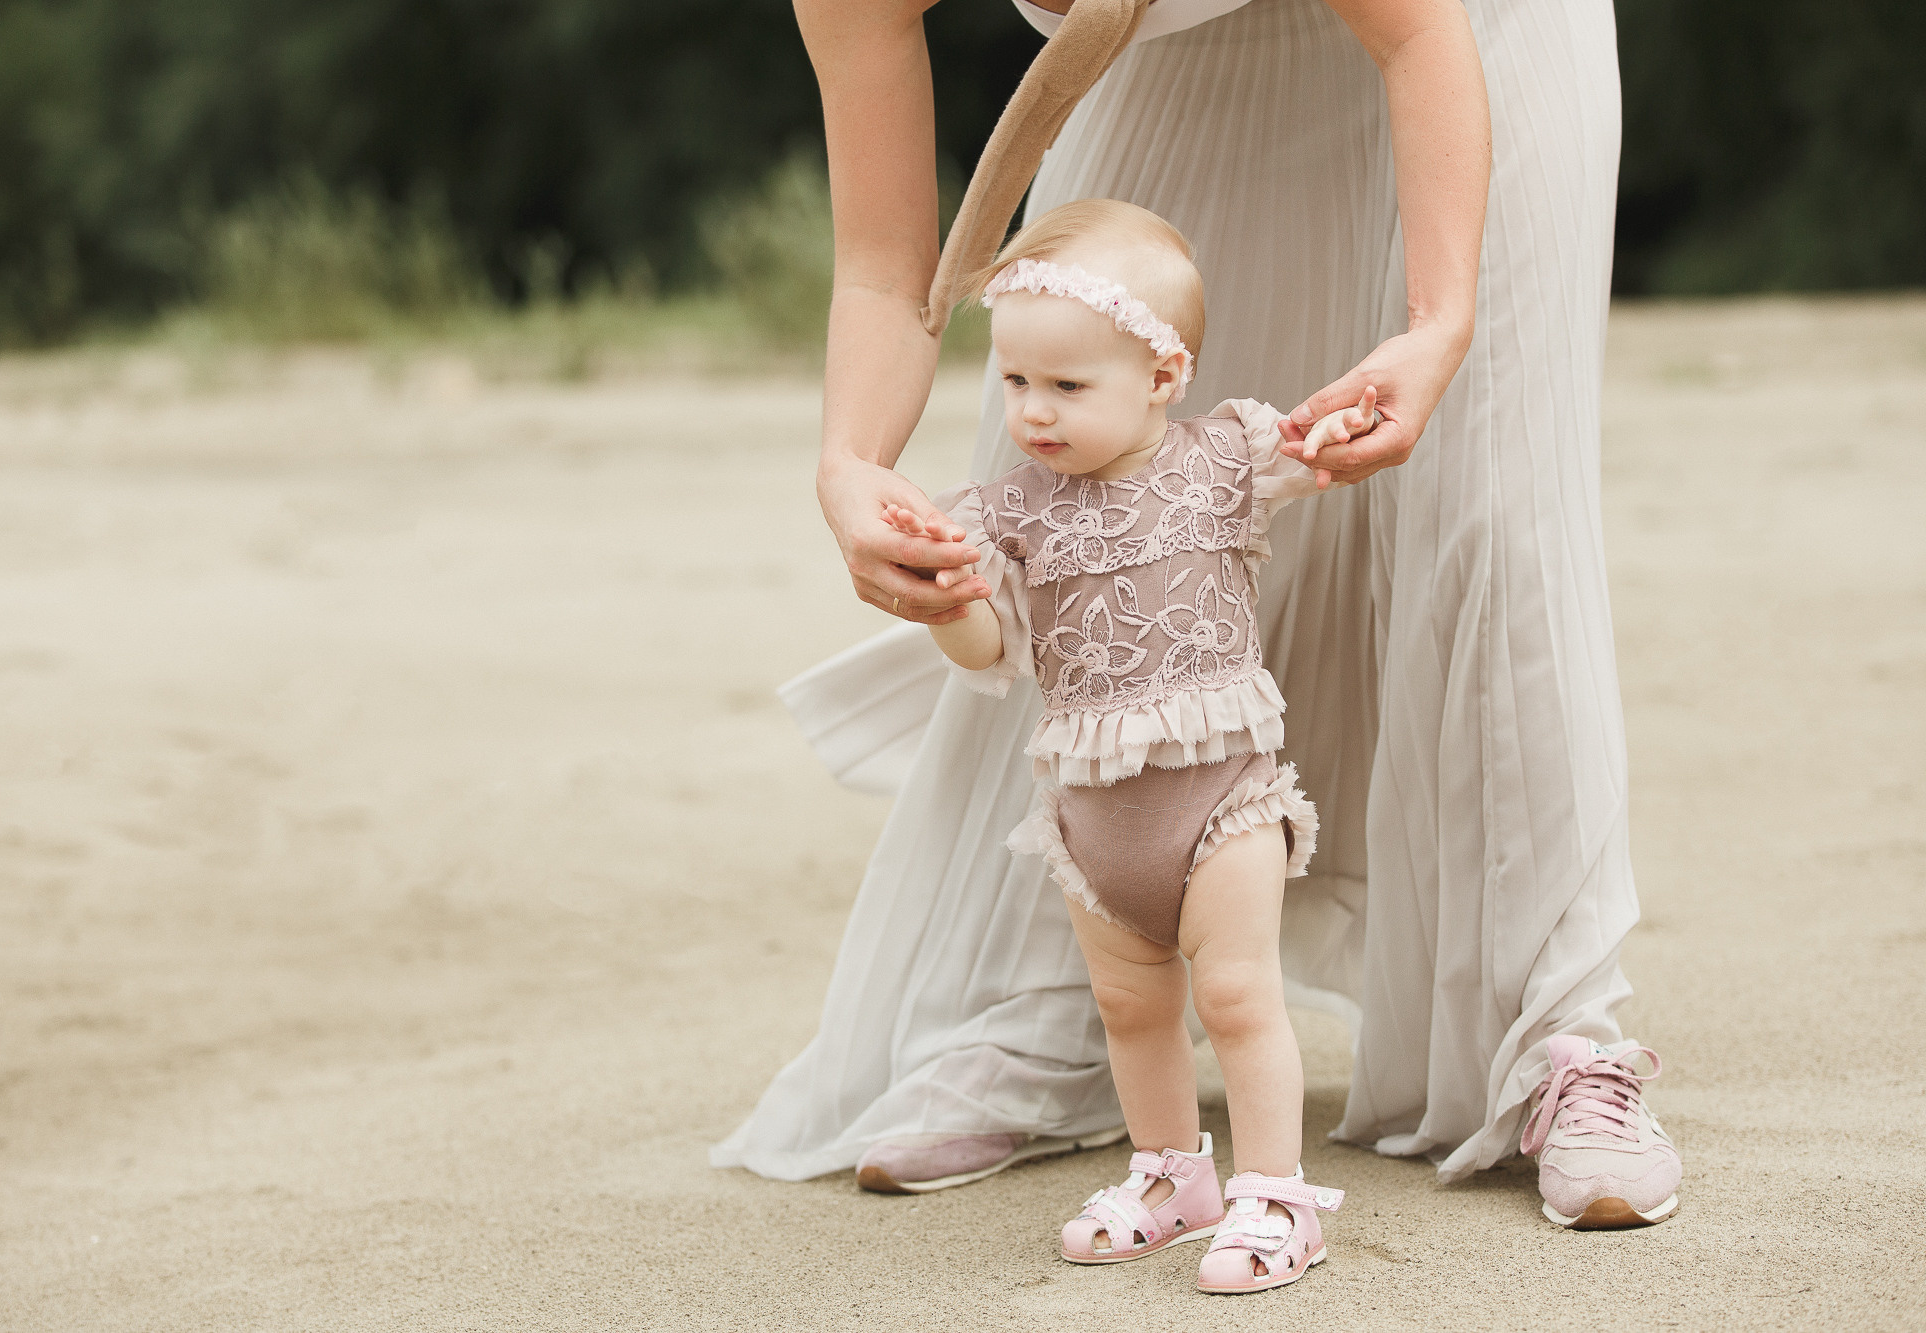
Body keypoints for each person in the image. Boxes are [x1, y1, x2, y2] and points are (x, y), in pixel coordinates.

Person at [712, 0, 1683, 1232]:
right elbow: (886, 270)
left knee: (1486, 506)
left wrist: (1435, 323)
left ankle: (1556, 1030)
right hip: (1166, 46)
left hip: (1464, 29)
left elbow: (1417, 32)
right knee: (1073, 393)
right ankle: (1055, 1004)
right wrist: (849, 463)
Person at [888, 197, 1385, 1290]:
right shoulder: (1010, 513)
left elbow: (1316, 455)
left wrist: (1340, 431)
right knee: (1130, 1005)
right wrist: (946, 598)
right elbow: (986, 653)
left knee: (1238, 993)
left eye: (1067, 386)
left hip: (1218, 800)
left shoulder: (1219, 461)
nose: (1034, 412)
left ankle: (1272, 1191)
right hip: (1092, 813)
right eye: (1015, 382)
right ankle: (1170, 1172)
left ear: (1161, 378)